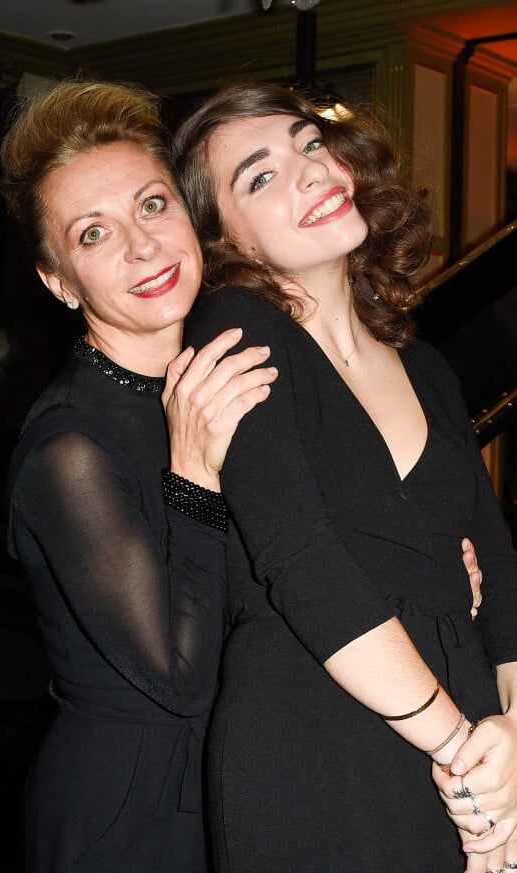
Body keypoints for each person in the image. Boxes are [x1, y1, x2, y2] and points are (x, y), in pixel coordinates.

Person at [173, 82, 517, 873]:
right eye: (260, 177)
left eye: (310, 144)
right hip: (315, 739)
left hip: (461, 728)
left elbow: (497, 569)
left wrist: (510, 746)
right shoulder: (240, 324)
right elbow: (303, 561)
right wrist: (466, 753)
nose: (310, 170)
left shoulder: (428, 367)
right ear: (228, 241)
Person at [0, 80, 278, 873]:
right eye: (94, 233)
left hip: (243, 780)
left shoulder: (222, 370)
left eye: (153, 205)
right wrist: (191, 469)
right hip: (132, 816)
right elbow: (182, 677)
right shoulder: (68, 452)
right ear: (60, 281)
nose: (142, 246)